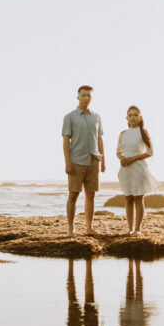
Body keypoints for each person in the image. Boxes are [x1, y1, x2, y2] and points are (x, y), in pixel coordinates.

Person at [62, 85, 105, 236]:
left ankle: (89, 228)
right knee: (73, 194)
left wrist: (103, 160)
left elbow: (99, 139)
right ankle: (70, 228)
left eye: (89, 95)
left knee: (91, 194)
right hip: (76, 161)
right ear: (78, 97)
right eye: (84, 95)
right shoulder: (70, 117)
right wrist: (67, 162)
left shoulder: (96, 117)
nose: (86, 98)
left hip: (93, 160)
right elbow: (66, 141)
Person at [116, 105, 160, 235]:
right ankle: (129, 229)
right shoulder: (123, 133)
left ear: (140, 117)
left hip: (138, 167)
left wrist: (133, 158)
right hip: (125, 168)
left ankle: (137, 229)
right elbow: (118, 151)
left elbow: (150, 152)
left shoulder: (143, 132)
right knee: (128, 198)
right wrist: (122, 158)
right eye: (130, 115)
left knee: (138, 198)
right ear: (126, 118)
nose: (133, 117)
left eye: (135, 115)